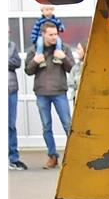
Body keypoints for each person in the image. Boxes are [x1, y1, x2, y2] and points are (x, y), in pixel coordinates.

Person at [24, 23, 73, 170]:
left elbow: (72, 68)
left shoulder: (64, 48)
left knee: (68, 125)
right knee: (46, 127)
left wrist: (64, 58)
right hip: (42, 93)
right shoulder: (34, 50)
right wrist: (35, 61)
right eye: (51, 34)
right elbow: (28, 70)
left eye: (56, 34)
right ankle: (52, 157)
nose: (54, 37)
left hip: (60, 92)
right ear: (43, 34)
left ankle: (74, 155)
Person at [9, 36, 26, 171]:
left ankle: (13, 158)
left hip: (10, 90)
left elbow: (17, 62)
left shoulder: (11, 45)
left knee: (10, 126)